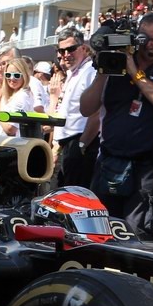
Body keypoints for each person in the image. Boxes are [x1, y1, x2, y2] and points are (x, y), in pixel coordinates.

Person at [80, 12, 153, 239]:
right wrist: (103, 71)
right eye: (144, 37)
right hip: (108, 161)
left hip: (146, 167)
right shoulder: (114, 66)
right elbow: (86, 108)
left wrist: (134, 72)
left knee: (136, 237)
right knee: (99, 234)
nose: (149, 43)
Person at [52, 29, 98, 188]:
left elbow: (97, 113)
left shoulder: (91, 71)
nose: (66, 54)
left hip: (81, 142)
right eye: (61, 50)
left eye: (71, 49)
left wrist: (82, 144)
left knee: (75, 197)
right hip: (68, 143)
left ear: (84, 48)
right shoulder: (74, 71)